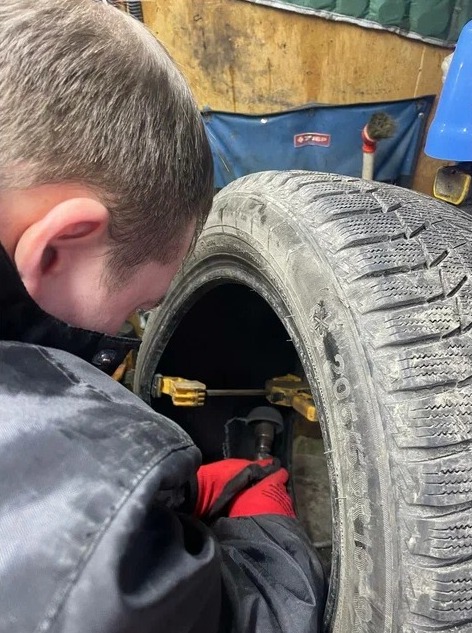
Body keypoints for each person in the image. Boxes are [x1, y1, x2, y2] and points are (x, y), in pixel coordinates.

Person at [0, 1, 326, 632]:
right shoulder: (76, 543)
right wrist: (267, 539)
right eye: (137, 308)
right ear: (57, 246)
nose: (125, 333)